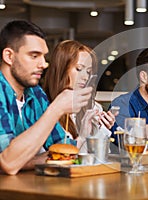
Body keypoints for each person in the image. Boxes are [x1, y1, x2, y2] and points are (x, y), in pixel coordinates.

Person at [0, 20, 92, 175]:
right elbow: (8, 163)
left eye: (43, 56)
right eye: (34, 56)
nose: (43, 64)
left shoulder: (36, 93)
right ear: (9, 56)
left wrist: (84, 134)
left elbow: (66, 149)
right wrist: (57, 108)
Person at [43, 40, 115, 151]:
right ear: (61, 69)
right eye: (79, 69)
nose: (85, 77)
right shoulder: (42, 108)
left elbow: (99, 156)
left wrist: (103, 129)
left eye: (88, 71)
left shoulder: (94, 108)